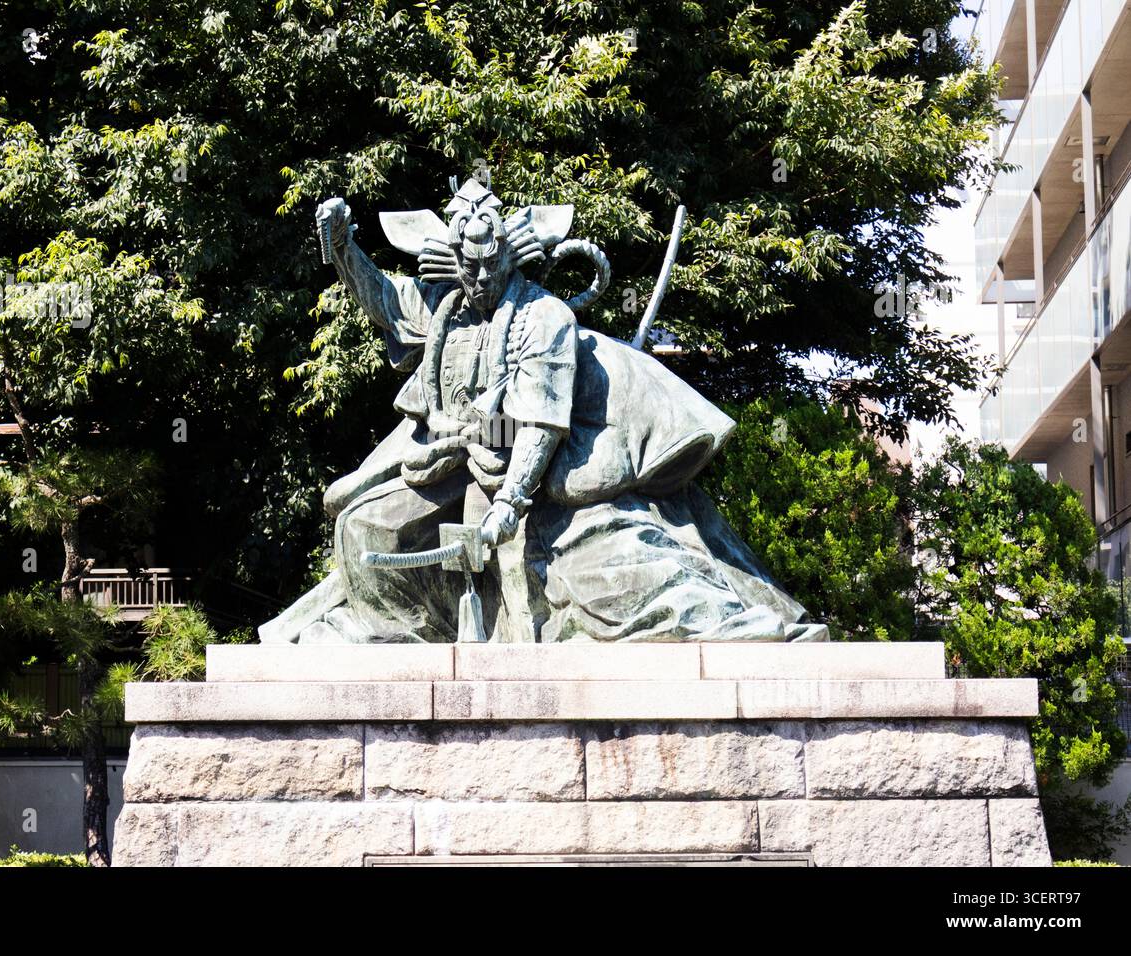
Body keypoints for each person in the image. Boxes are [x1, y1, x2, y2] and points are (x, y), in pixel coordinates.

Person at [260, 178, 825, 644]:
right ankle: (396, 640)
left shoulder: (544, 317)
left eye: (488, 264)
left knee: (603, 565)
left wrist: (509, 503)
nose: (478, 277)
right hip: (444, 458)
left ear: (509, 253)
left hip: (533, 470)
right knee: (362, 527)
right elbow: (382, 297)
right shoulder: (441, 306)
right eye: (467, 264)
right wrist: (341, 248)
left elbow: (541, 422)